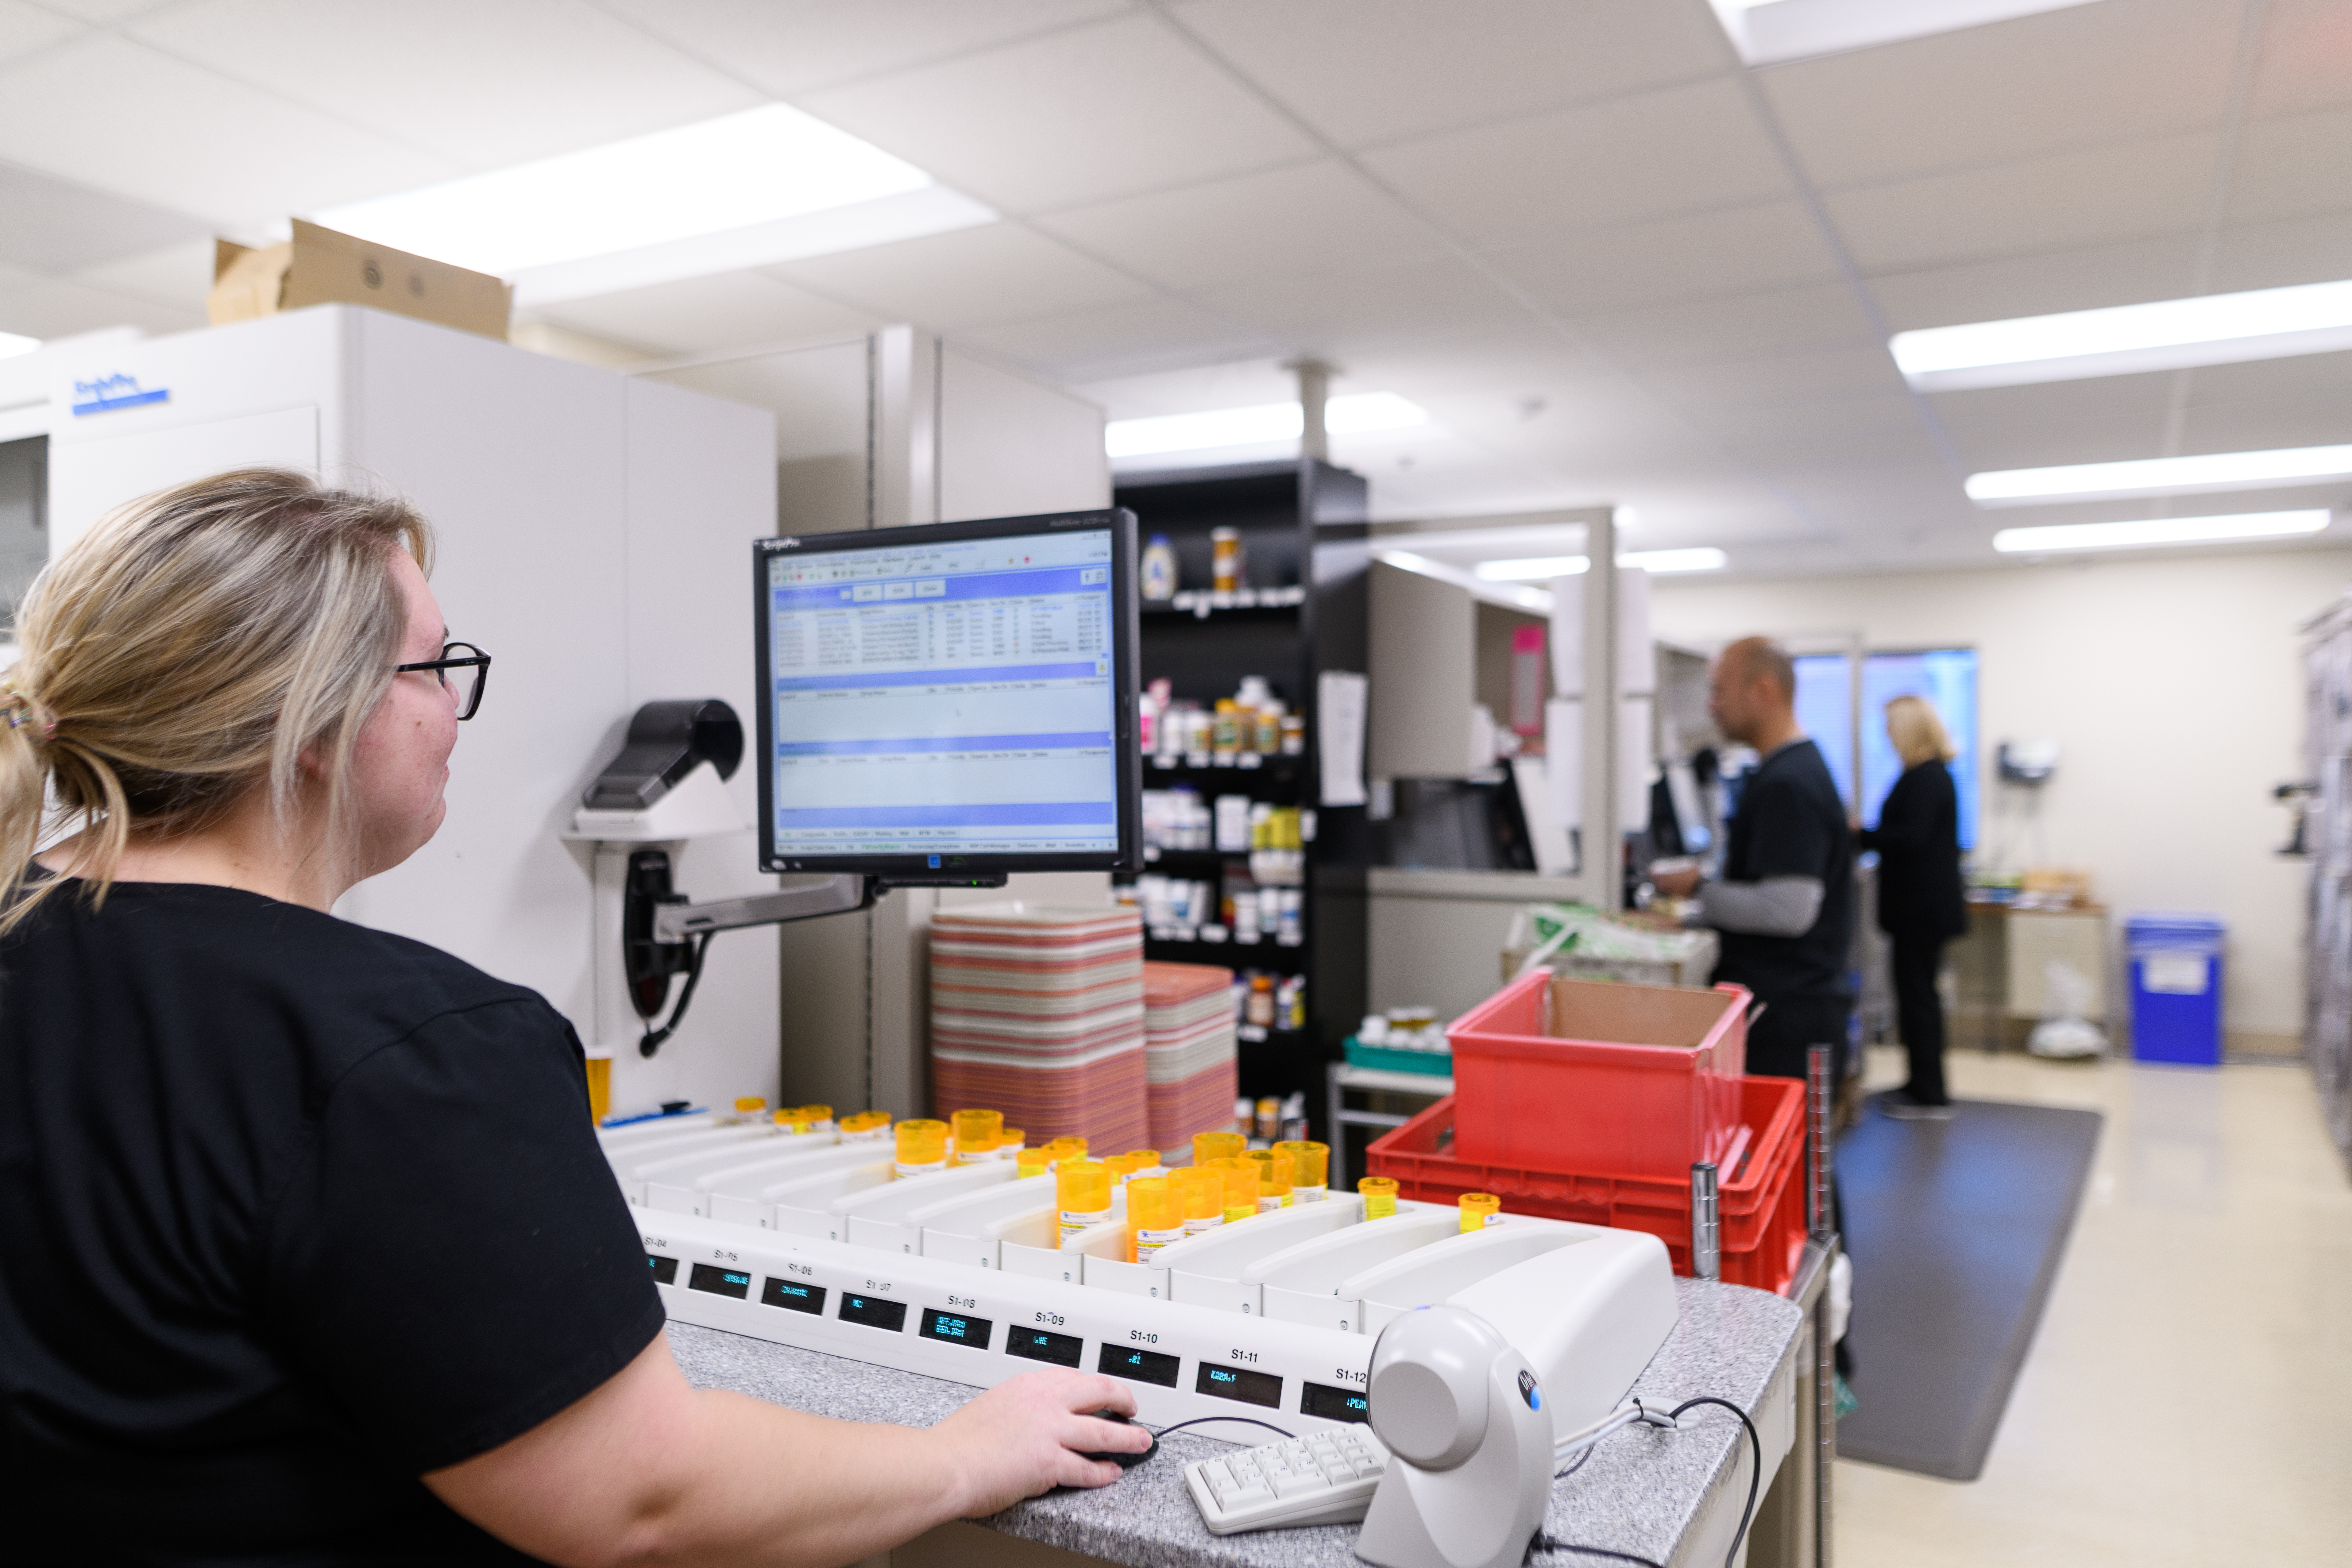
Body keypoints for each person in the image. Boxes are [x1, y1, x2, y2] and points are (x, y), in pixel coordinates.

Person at [0, 470, 1148, 1567]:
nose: (452, 710)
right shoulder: (402, 1048)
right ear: (316, 719)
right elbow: (644, 1499)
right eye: (432, 668)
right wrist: (962, 1454)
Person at [1651, 637, 1856, 1083]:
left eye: (1719, 691)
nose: (1712, 707)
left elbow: (1787, 910)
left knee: (1785, 1153)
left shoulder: (1787, 784)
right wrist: (1689, 918)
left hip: (1787, 1020)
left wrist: (1699, 890)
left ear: (1763, 691)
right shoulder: (1792, 768)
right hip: (1792, 1009)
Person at [1859, 695, 1968, 1120]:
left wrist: (1861, 836)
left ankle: (1929, 1093)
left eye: (1890, 727)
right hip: (1922, 911)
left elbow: (1910, 838)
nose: (1886, 735)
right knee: (1918, 996)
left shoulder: (1926, 778)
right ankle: (1921, 1083)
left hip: (1920, 912)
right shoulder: (1932, 775)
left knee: (1918, 998)